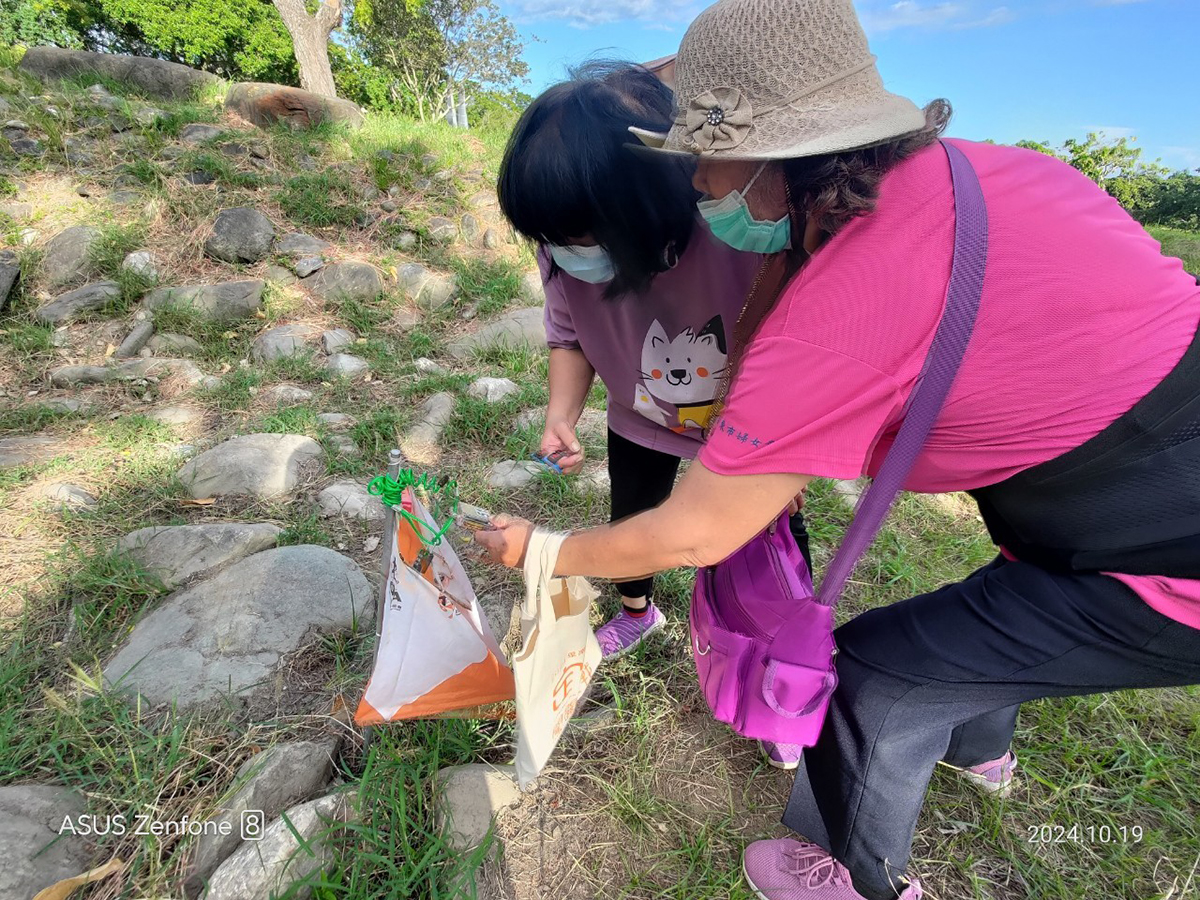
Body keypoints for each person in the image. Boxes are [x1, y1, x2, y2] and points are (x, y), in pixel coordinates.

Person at [477, 1, 1200, 898]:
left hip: (1165, 556)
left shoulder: (839, 310)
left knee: (879, 680)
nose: (697, 183)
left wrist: (547, 552)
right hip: (1077, 492)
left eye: (705, 159)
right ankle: (983, 751)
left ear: (783, 157)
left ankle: (856, 879)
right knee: (1001, 609)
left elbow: (700, 532)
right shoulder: (993, 174)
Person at [497, 61, 812, 684]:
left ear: (653, 207)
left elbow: (792, 348)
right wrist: (561, 414)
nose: (566, 252)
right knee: (632, 515)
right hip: (638, 415)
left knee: (768, 543)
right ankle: (638, 612)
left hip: (746, 426)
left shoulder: (736, 232)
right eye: (552, 238)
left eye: (585, 237)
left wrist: (787, 452)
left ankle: (781, 663)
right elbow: (568, 334)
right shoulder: (563, 243)